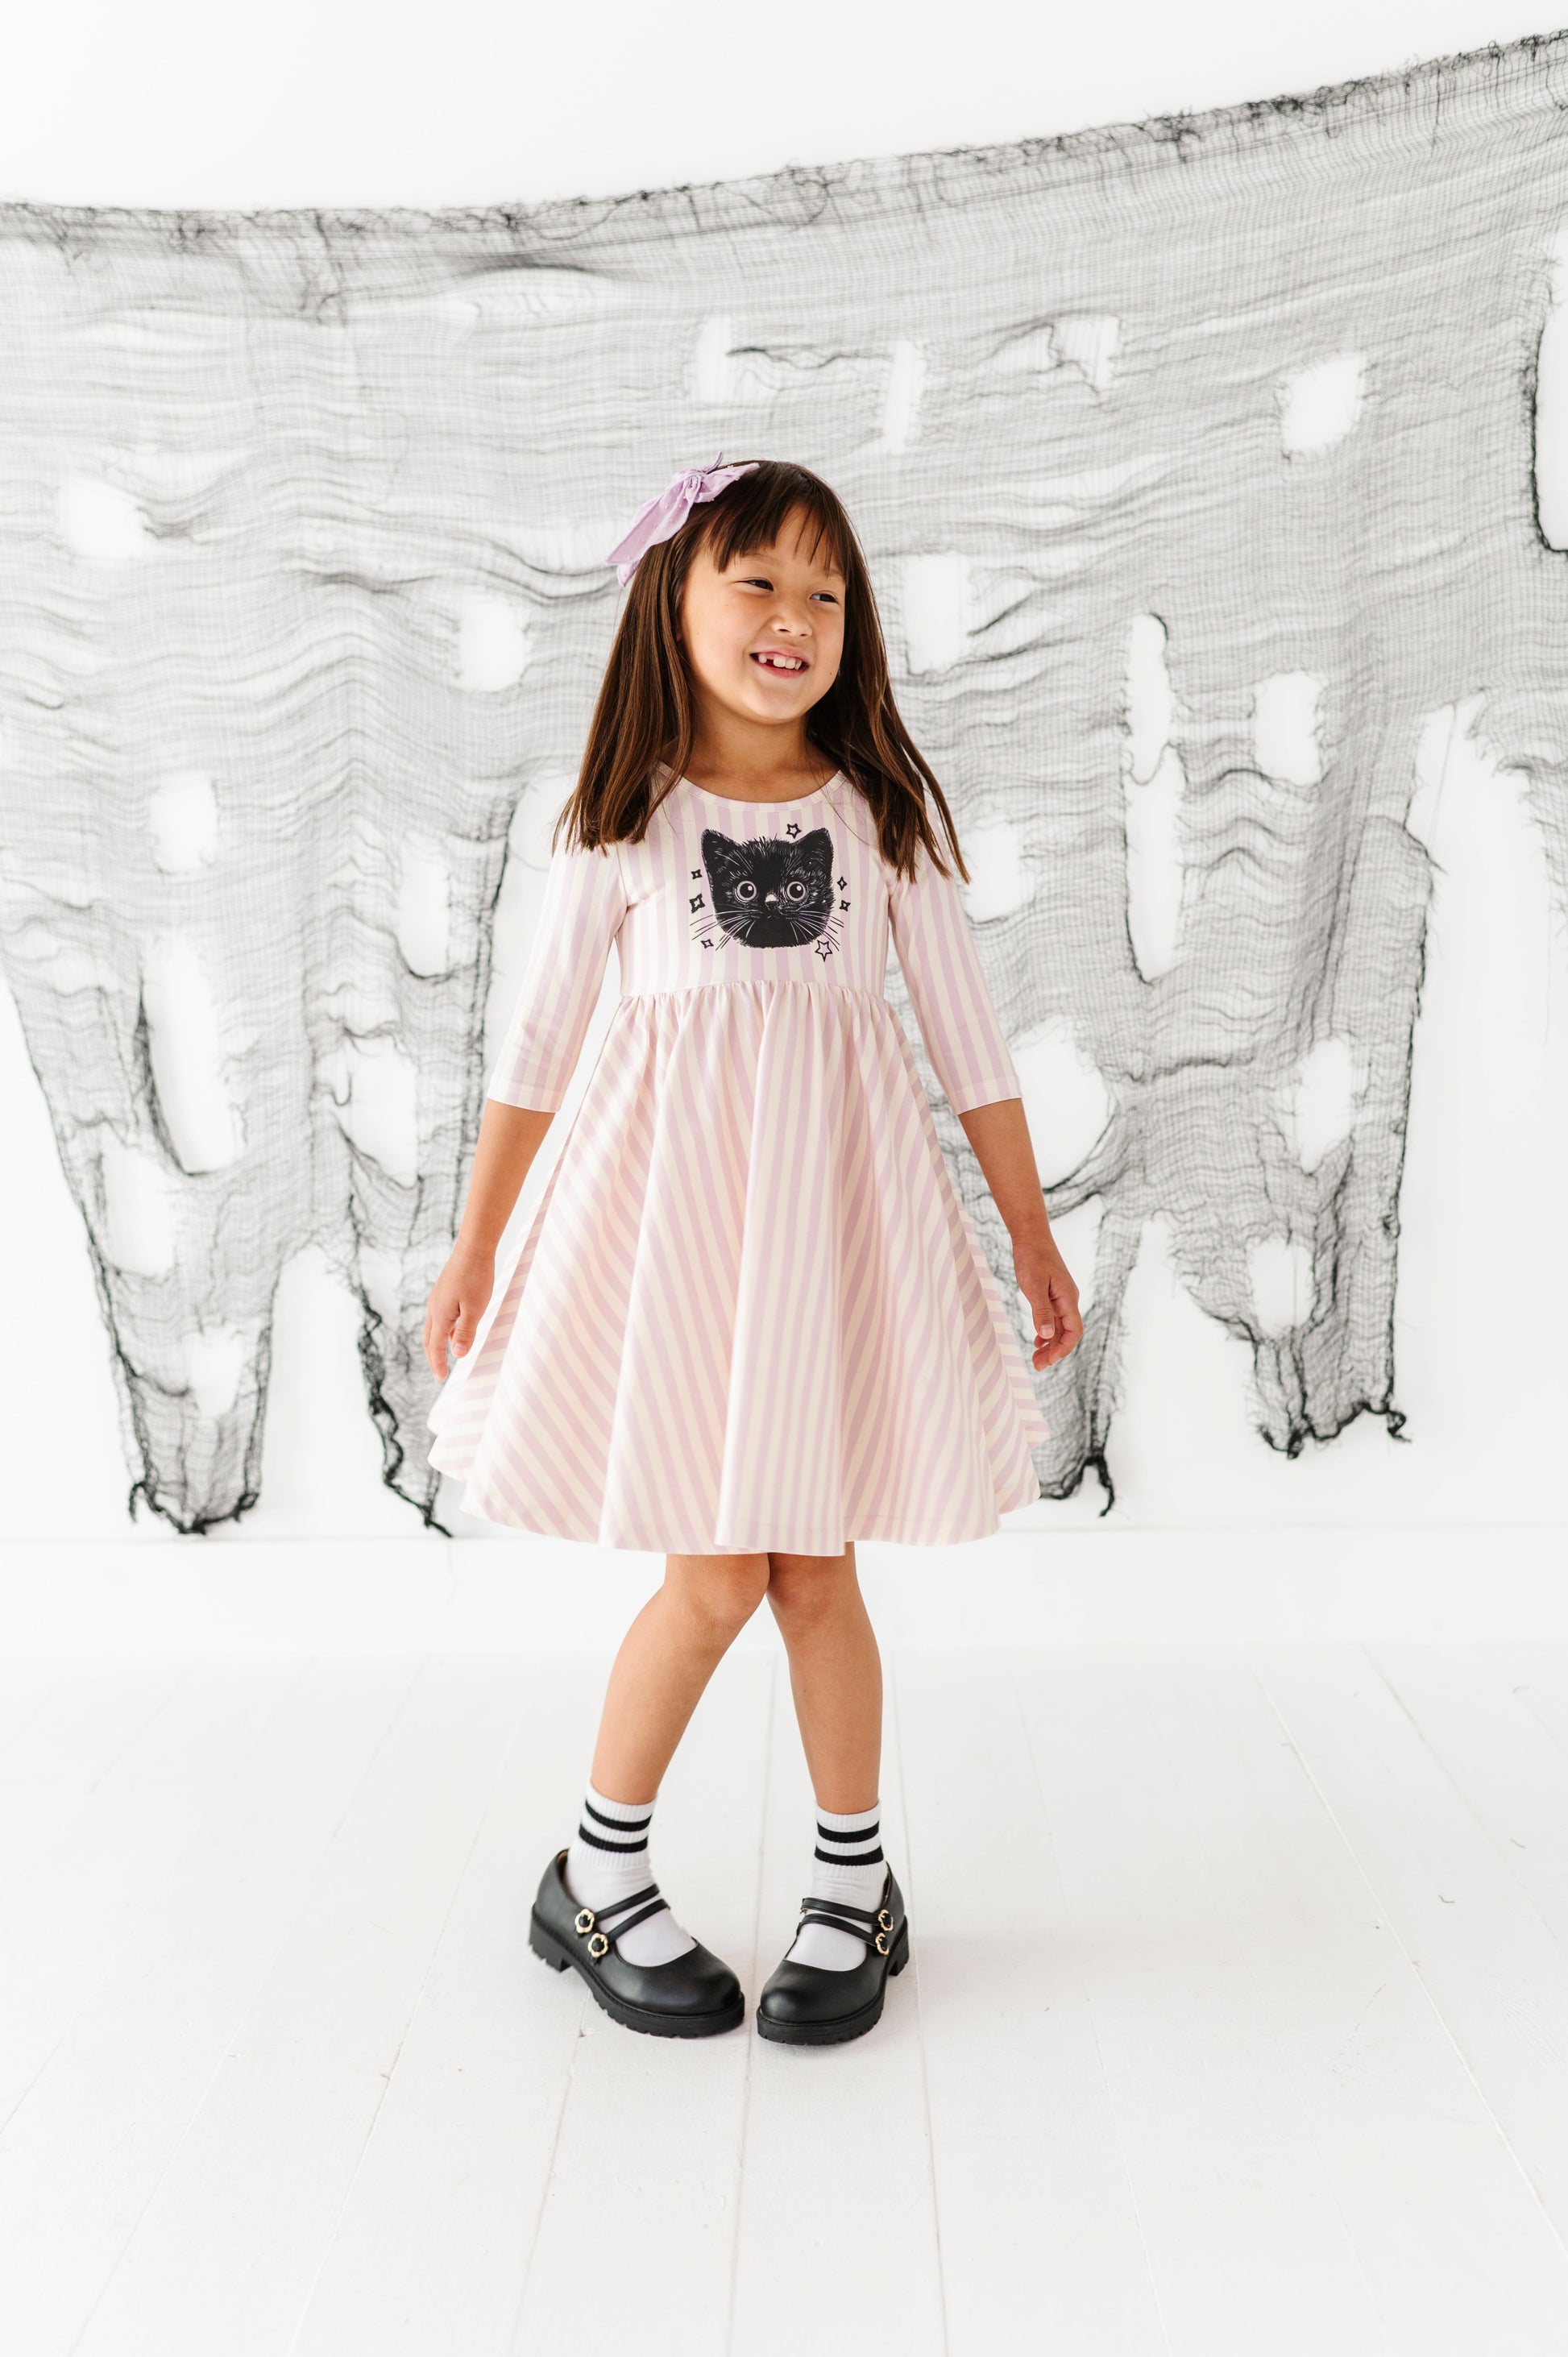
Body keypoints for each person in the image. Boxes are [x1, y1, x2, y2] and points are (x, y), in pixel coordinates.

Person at [422, 454, 1082, 2048]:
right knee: (713, 1573)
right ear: (675, 599)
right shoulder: (623, 822)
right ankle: (595, 1872)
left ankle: (854, 1884)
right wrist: (477, 1241)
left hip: (833, 1238)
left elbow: (967, 1040)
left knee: (815, 1566)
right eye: (760, 581)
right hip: (681, 1245)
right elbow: (537, 1044)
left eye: (826, 592)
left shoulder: (877, 817)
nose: (795, 616)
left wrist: (1028, 1229)